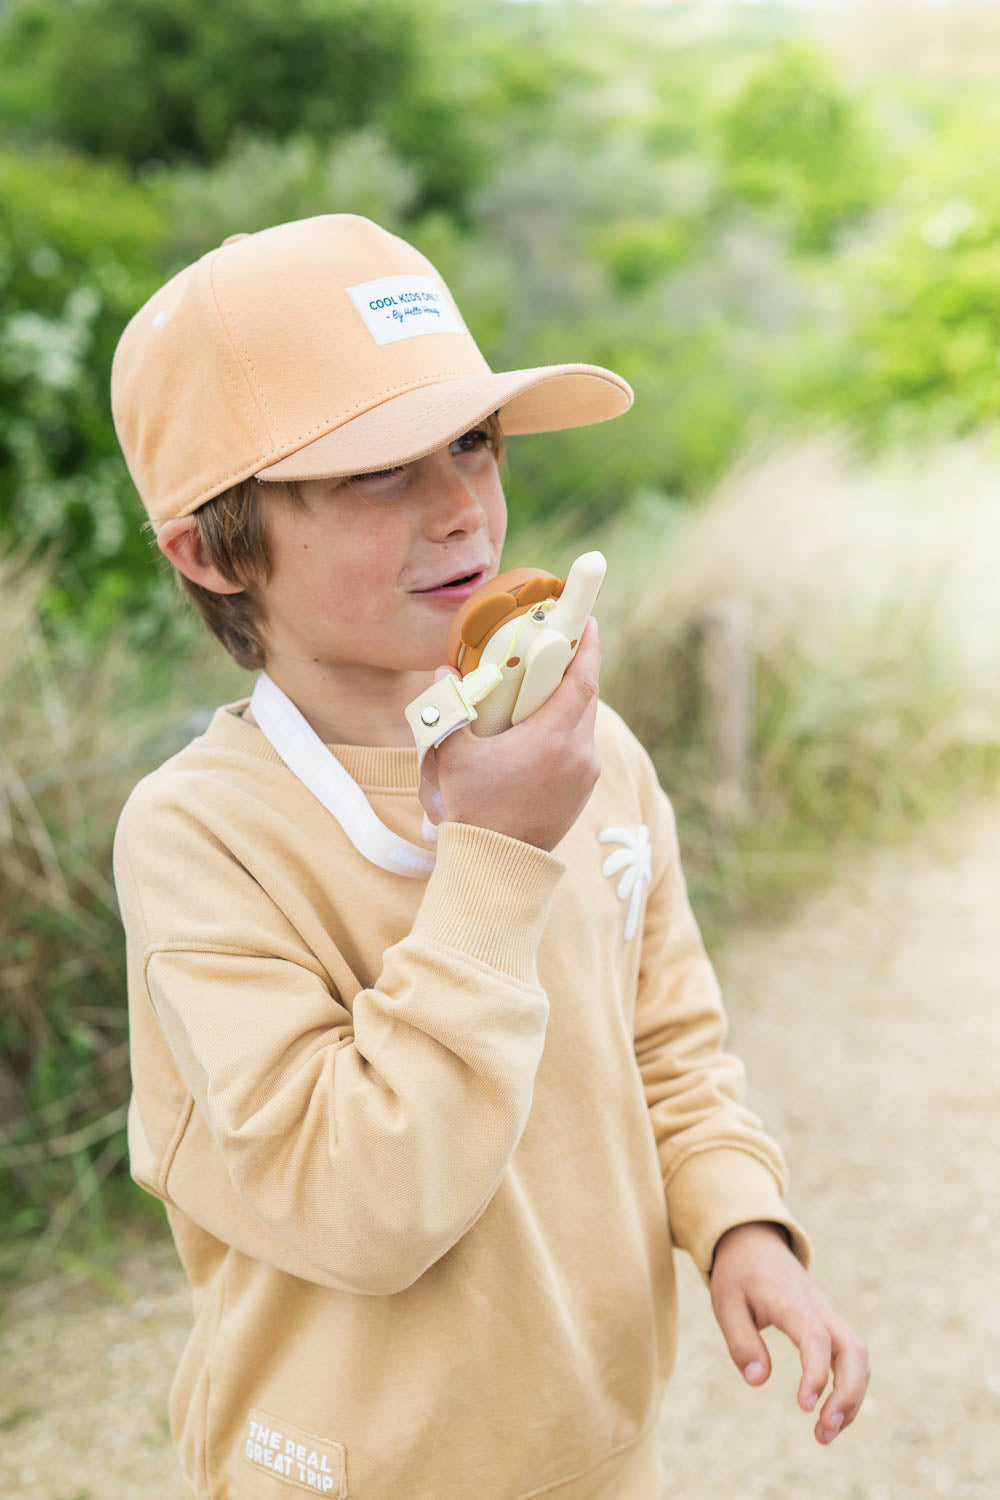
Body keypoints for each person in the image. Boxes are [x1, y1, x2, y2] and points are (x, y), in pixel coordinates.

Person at [110, 214, 868, 1500]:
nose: (460, 505)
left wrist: (737, 1218)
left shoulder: (590, 751)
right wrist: (493, 859)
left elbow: (663, 1042)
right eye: (375, 473)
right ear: (213, 547)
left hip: (599, 1451)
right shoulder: (202, 836)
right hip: (342, 1473)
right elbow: (360, 1206)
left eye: (471, 441)